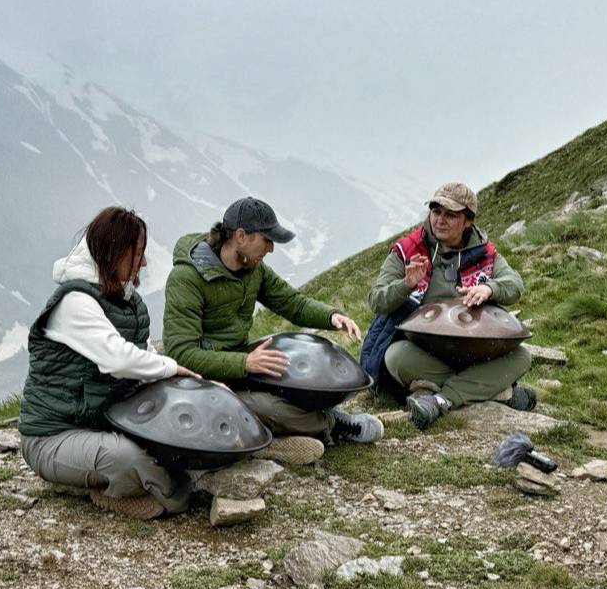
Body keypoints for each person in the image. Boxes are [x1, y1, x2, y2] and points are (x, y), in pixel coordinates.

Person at [162, 197, 383, 464]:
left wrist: (331, 316)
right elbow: (181, 353)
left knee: (287, 374)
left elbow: (291, 303)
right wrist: (245, 362)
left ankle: (267, 437)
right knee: (269, 407)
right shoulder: (186, 278)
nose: (271, 248)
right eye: (266, 239)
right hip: (199, 377)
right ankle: (331, 425)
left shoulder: (253, 268)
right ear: (241, 236)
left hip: (240, 364)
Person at [19, 206, 199, 520]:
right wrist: (171, 368)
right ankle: (113, 491)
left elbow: (143, 354)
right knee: (130, 458)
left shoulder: (126, 301)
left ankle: (128, 483)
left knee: (173, 443)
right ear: (115, 253)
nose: (142, 262)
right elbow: (117, 358)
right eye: (137, 253)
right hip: (53, 438)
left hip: (104, 424)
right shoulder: (75, 302)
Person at [361, 182, 532, 430]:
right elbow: (376, 300)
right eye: (435, 211)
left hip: (473, 351)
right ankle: (496, 391)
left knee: (522, 356)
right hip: (422, 351)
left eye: (450, 215)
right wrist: (406, 284)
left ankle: (439, 399)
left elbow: (514, 284)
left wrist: (489, 288)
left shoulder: (484, 253)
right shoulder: (408, 250)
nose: (439, 220)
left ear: (468, 221)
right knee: (395, 356)